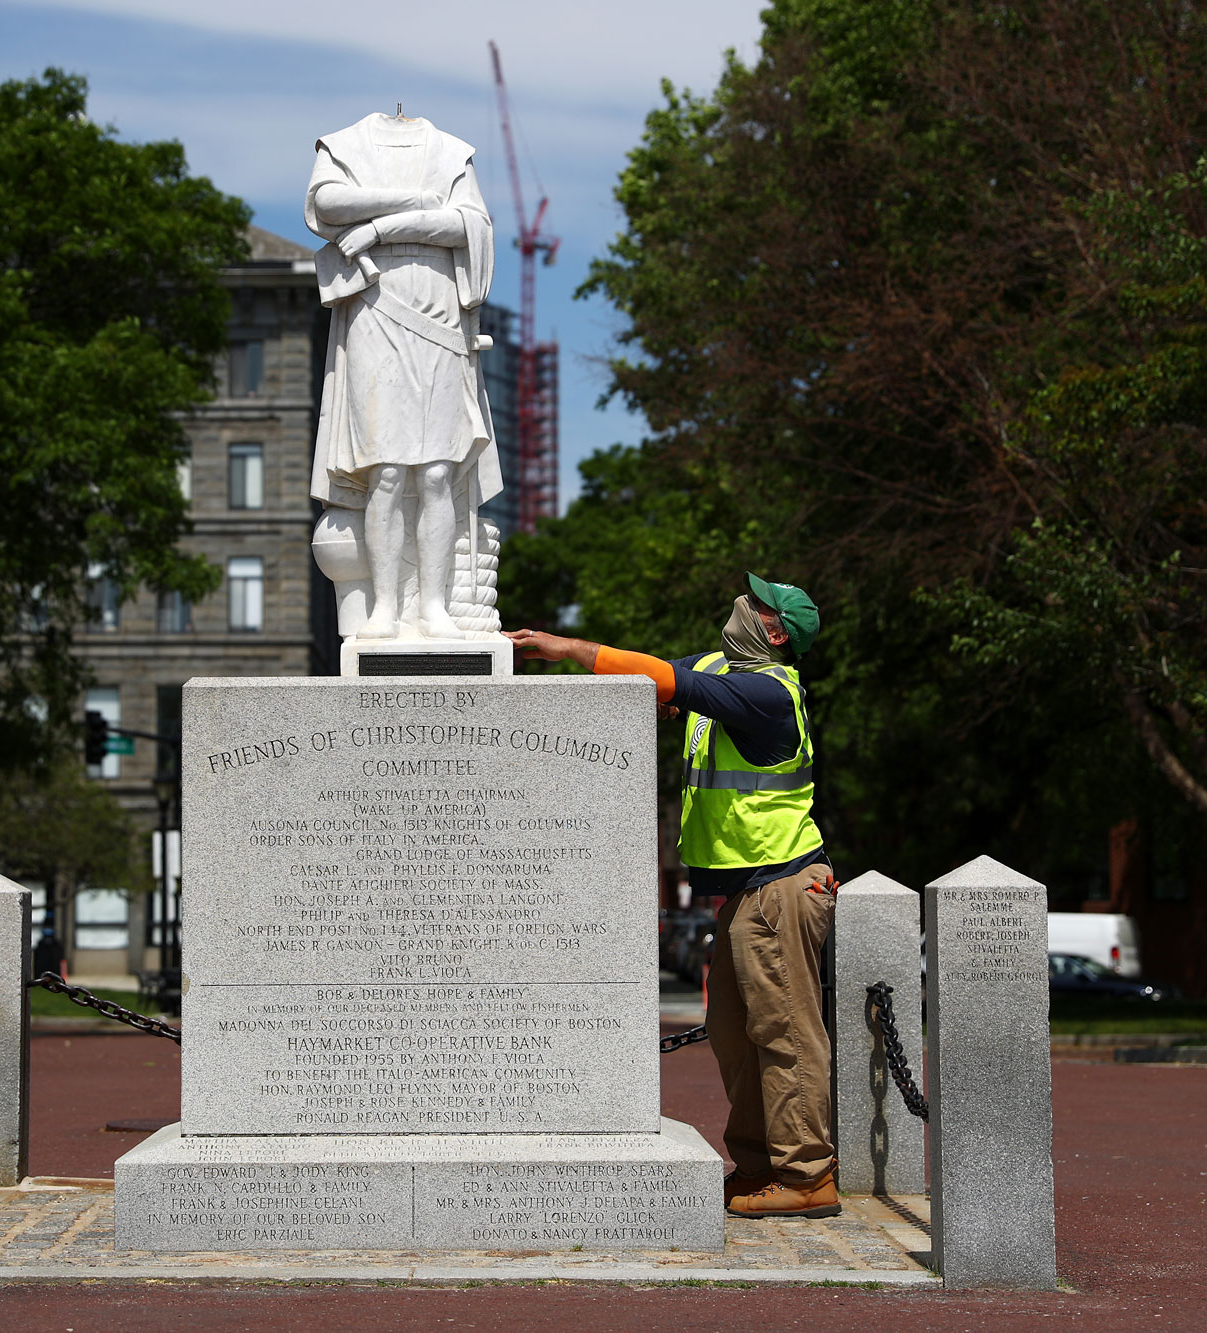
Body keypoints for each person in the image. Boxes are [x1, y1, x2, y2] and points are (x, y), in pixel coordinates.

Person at [503, 574, 839, 1220]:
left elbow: (677, 684)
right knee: (734, 1031)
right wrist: (658, 690)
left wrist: (561, 647)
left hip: (782, 883)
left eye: (756, 602)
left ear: (774, 632)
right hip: (747, 890)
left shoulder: (767, 691)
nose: (741, 604)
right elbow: (656, 674)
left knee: (786, 1031)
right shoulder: (724, 667)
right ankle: (759, 1164)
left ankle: (808, 1172)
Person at [305, 110, 502, 639]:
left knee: (437, 472)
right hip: (375, 306)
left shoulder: (452, 152)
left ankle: (432, 606)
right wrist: (412, 201)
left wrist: (379, 227)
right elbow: (326, 203)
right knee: (386, 473)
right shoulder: (344, 144)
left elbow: (468, 224)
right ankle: (386, 608)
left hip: (439, 310)